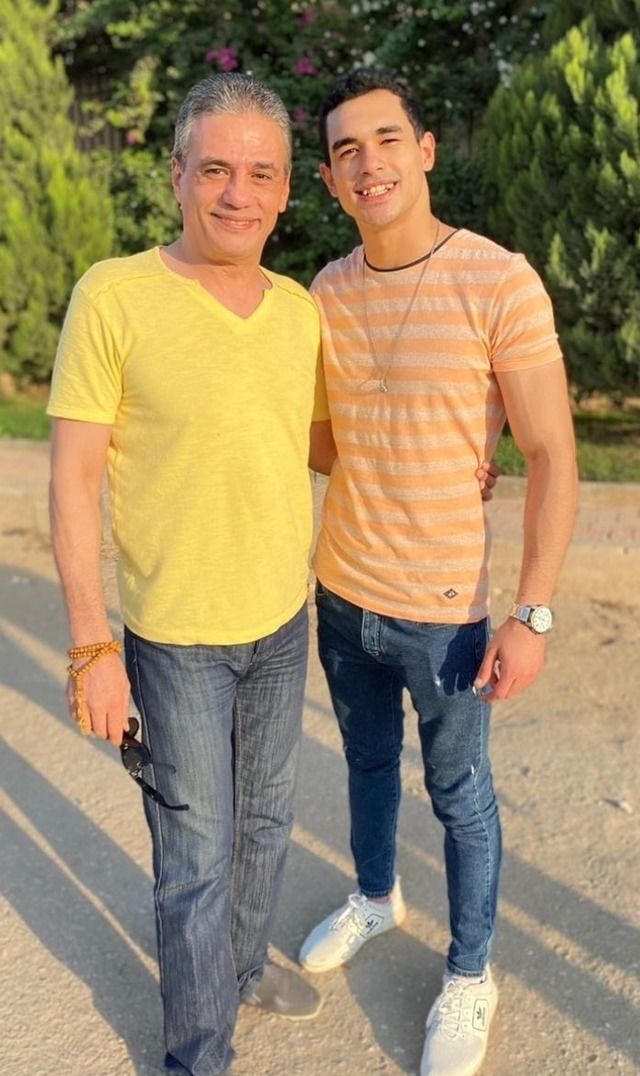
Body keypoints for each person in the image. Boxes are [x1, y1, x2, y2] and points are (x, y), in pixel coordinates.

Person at [47, 73, 337, 1076]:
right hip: (174, 638)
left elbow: (318, 445)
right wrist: (93, 647)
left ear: (286, 190)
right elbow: (73, 478)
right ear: (176, 175)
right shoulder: (114, 295)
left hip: (280, 621)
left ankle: (242, 969)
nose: (236, 193)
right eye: (214, 169)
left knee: (265, 824)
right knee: (196, 856)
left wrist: (449, 452)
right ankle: (197, 1054)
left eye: (260, 173)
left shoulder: (298, 312)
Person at [298, 70, 578, 1076]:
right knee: (366, 764)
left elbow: (552, 452)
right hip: (343, 590)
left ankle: (470, 972)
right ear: (330, 179)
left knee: (460, 795)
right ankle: (376, 895)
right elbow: (327, 444)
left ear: (423, 150)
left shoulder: (499, 279)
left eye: (386, 139)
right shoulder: (326, 291)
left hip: (448, 613)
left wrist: (532, 615)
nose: (367, 162)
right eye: (345, 150)